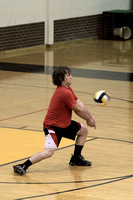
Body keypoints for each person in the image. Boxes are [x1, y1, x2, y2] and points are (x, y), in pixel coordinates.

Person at [13, 66, 96, 175]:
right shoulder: (64, 93)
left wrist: (90, 117)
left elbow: (80, 104)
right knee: (49, 153)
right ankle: (23, 165)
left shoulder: (68, 90)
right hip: (53, 127)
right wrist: (88, 119)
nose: (72, 77)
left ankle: (76, 158)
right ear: (62, 78)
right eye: (68, 75)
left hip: (64, 124)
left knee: (83, 131)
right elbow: (77, 110)